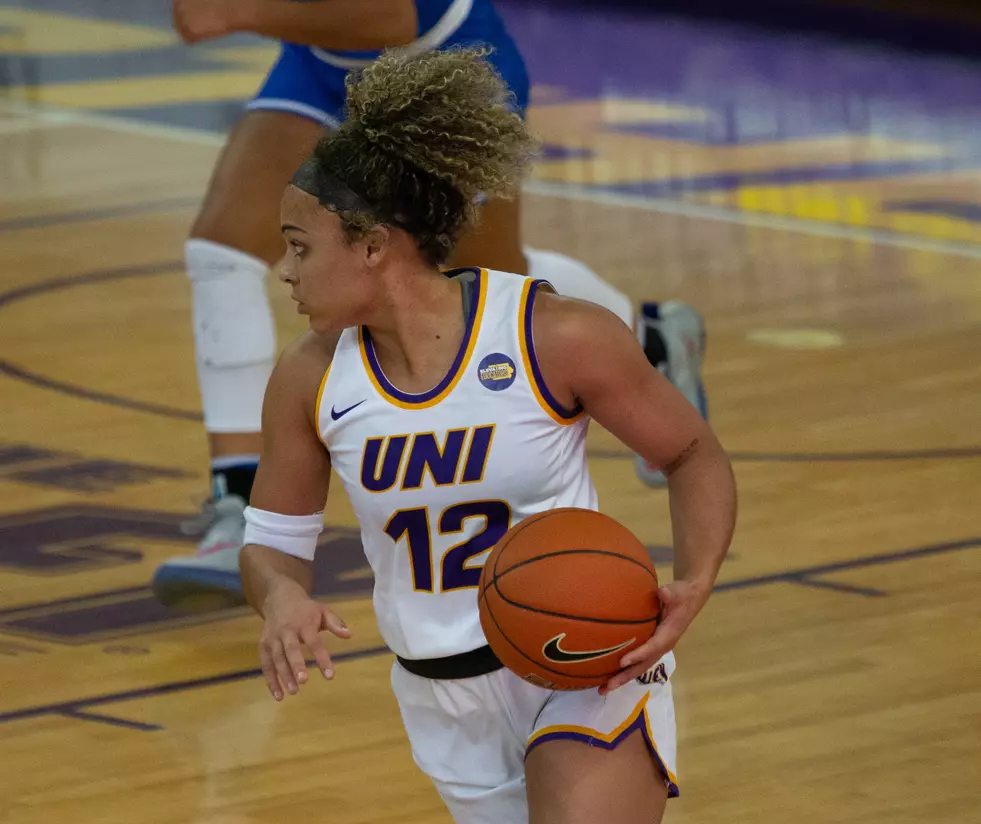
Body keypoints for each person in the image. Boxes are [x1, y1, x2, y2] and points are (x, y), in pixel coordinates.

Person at [238, 47, 841, 824]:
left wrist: (695, 574)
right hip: (447, 701)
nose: (283, 271)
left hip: (588, 664)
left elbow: (692, 450)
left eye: (299, 247)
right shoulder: (309, 382)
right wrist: (280, 594)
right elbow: (273, 539)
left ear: (373, 246)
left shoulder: (551, 332)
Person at [152, 0, 707, 608]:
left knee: (481, 283)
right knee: (219, 252)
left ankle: (646, 335)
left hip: (442, 59)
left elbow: (395, 16)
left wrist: (240, 14)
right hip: (323, 61)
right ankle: (236, 505)